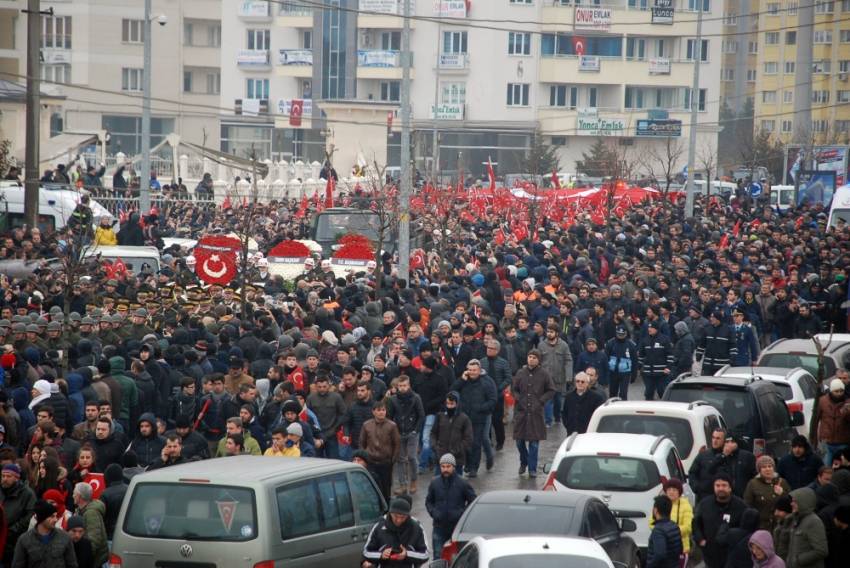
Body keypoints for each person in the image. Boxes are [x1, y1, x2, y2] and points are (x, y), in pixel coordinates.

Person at [512, 350, 555, 478]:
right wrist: (519, 399)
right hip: (521, 412)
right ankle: (524, 461)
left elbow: (551, 390)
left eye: (534, 357)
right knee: (519, 441)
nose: (531, 359)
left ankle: (532, 468)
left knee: (534, 444)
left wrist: (541, 401)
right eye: (529, 357)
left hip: (536, 413)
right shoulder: (520, 373)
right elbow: (514, 389)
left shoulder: (544, 374)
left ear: (538, 360)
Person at [692, 473, 750, 568]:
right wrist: (701, 540)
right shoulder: (704, 504)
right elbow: (696, 524)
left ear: (730, 488)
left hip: (732, 556)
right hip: (710, 555)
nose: (720, 488)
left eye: (724, 485)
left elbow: (746, 530)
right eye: (717, 485)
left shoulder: (741, 506)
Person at [450, 359, 496, 478]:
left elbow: (492, 400)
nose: (472, 372)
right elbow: (452, 392)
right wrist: (461, 379)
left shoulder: (487, 382)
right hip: (464, 417)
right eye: (470, 370)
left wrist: (481, 408)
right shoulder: (464, 381)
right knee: (465, 443)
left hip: (479, 418)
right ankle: (468, 464)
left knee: (476, 443)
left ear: (479, 370)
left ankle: (474, 467)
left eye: (474, 370)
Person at [425, 454, 476, 559]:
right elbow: (429, 501)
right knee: (438, 557)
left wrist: (462, 514)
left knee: (456, 557)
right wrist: (434, 513)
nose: (445, 469)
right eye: (443, 466)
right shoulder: (435, 483)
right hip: (439, 527)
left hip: (457, 527)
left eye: (448, 466)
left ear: (453, 467)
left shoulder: (462, 483)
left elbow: (473, 501)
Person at [362, 497, 429, 568]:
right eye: (395, 516)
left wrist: (407, 554)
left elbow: (425, 555)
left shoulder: (416, 527)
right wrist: (381, 555)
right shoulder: (379, 526)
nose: (398, 520)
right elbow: (366, 552)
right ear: (390, 513)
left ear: (408, 515)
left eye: (403, 517)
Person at [11, 500, 77, 568]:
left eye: (56, 516)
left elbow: (72, 564)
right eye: (52, 516)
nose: (55, 519)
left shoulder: (65, 538)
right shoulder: (24, 540)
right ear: (42, 518)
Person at [388, 375, 424, 495]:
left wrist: (416, 430)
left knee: (412, 457)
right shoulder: (393, 399)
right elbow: (390, 416)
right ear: (397, 387)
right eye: (400, 386)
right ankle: (403, 485)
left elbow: (421, 415)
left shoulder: (416, 398)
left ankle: (413, 480)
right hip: (399, 432)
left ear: (409, 386)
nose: (402, 388)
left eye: (404, 386)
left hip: (412, 432)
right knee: (400, 459)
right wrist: (393, 431)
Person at [360, 400, 401, 501]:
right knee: (372, 487)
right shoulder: (366, 425)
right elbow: (362, 443)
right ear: (373, 412)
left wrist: (393, 460)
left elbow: (397, 443)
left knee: (386, 487)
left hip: (386, 462)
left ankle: (386, 509)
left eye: (383, 410)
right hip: (371, 462)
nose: (381, 412)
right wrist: (364, 458)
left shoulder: (392, 426)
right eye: (379, 410)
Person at [429, 392, 473, 475]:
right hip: (441, 458)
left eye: (452, 404)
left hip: (457, 459)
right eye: (447, 403)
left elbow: (468, 439)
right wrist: (435, 447)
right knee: (439, 485)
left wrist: (457, 450)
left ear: (457, 403)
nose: (449, 406)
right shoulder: (440, 416)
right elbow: (433, 433)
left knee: (456, 486)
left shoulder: (464, 419)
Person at [744, 455, 792, 531]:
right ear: (759, 470)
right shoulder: (752, 484)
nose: (767, 469)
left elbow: (791, 503)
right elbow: (747, 504)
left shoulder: (782, 482)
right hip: (761, 527)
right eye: (764, 467)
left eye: (770, 466)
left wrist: (782, 493)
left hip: (780, 527)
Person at [537, 323, 572, 427]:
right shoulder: (541, 345)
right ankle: (548, 421)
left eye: (551, 332)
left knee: (558, 401)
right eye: (548, 331)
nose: (549, 334)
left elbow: (568, 360)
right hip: (546, 379)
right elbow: (538, 361)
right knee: (547, 400)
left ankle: (557, 418)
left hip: (559, 379)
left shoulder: (564, 345)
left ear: (556, 333)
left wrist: (569, 376)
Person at [649, 478, 693, 561]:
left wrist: (670, 531)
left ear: (679, 492)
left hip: (681, 549)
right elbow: (651, 523)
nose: (671, 492)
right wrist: (662, 531)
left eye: (674, 490)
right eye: (669, 489)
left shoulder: (685, 505)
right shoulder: (660, 503)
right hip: (661, 547)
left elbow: (688, 527)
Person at [0, 463, 36, 564]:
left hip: (15, 542)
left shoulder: (27, 494)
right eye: (3, 476)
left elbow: (29, 516)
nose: (5, 479)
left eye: (8, 476)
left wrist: (10, 531)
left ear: (16, 478)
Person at [786, 488, 828, 568]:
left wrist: (799, 560)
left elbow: (821, 550)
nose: (791, 504)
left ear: (803, 503)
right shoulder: (796, 519)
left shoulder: (814, 522)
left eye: (795, 501)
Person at [817, 379, 850, 467]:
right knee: (825, 467)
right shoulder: (822, 401)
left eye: (841, 391)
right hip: (826, 442)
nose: (839, 393)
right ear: (831, 391)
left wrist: (847, 412)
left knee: (842, 468)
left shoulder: (847, 403)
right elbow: (816, 419)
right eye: (836, 391)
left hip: (843, 443)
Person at [637, 321, 674, 400]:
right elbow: (641, 355)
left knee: (662, 391)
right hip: (648, 373)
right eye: (649, 328)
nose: (649, 329)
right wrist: (638, 367)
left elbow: (670, 355)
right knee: (648, 392)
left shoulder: (664, 339)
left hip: (661, 373)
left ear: (656, 329)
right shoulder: (645, 340)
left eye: (652, 328)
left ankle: (665, 408)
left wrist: (668, 367)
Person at [73, 482, 107, 567]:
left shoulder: (91, 513)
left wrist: (84, 559)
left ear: (79, 496)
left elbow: (94, 539)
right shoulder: (80, 510)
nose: (72, 495)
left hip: (94, 561)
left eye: (74, 493)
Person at [714, 434, 757, 499]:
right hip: (726, 496)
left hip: (745, 496)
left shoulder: (747, 456)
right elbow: (710, 470)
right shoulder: (720, 457)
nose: (729, 444)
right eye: (727, 442)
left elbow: (755, 475)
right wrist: (723, 455)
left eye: (732, 442)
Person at [561, 370, 604, 435]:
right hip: (571, 432)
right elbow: (565, 413)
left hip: (588, 432)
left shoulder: (596, 398)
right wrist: (568, 425)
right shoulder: (569, 397)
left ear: (587, 383)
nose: (580, 383)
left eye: (582, 382)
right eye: (577, 381)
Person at [646, 495, 683, 568]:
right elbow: (680, 549)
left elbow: (659, 554)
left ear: (656, 510)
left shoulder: (658, 530)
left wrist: (650, 565)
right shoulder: (674, 526)